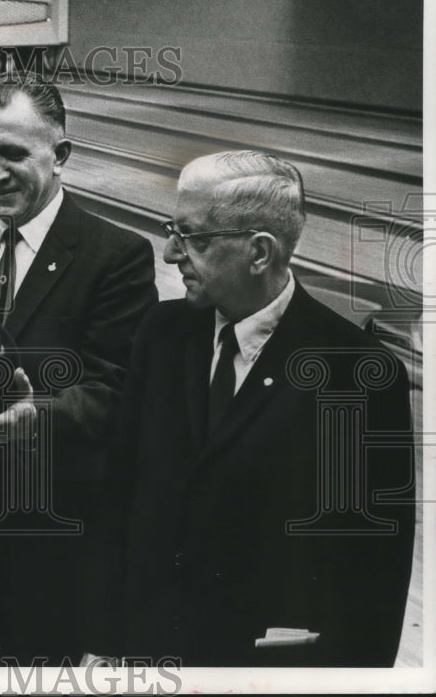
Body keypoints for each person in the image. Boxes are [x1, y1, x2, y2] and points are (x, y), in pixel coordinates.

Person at [112, 150, 415, 666]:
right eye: (172, 229)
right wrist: (107, 640)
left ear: (259, 252)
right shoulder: (161, 332)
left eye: (193, 237)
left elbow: (374, 574)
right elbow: (121, 495)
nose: (169, 252)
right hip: (155, 653)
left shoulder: (356, 373)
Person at [0, 75, 158, 666]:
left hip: (57, 545)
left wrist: (33, 419)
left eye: (13, 153)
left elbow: (115, 390)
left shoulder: (115, 255)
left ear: (60, 154)